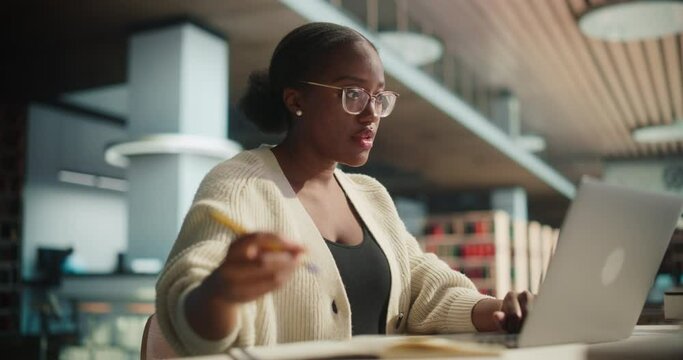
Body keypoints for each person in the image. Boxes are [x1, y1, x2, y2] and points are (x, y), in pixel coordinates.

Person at [155, 22, 533, 356]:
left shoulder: (371, 196)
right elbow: (185, 305)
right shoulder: (240, 184)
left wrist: (502, 312)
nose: (371, 114)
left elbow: (425, 291)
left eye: (379, 97)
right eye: (352, 94)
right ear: (296, 100)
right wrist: (221, 292)